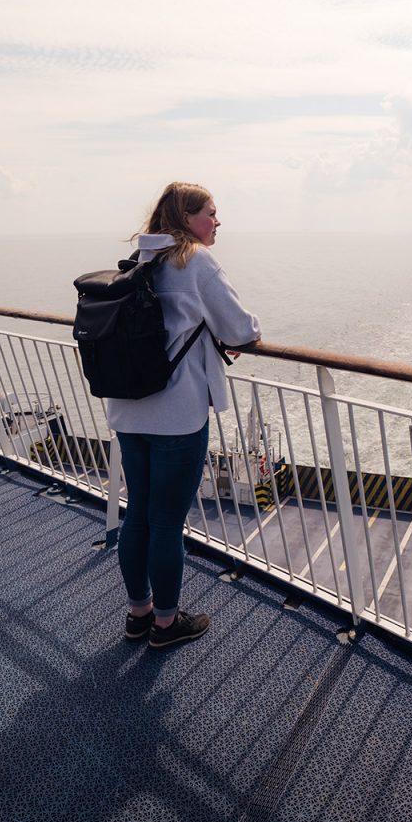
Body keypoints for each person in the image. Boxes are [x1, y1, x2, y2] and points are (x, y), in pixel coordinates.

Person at [106, 182, 261, 649]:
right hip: (177, 416)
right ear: (187, 217)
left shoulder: (139, 260)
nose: (217, 222)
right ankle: (168, 625)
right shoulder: (196, 260)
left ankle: (139, 614)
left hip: (130, 411)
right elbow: (241, 329)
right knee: (167, 521)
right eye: (211, 213)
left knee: (139, 516)